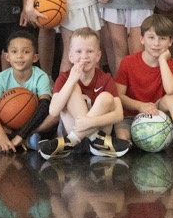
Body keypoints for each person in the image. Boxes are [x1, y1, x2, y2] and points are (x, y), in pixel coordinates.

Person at [112, 15, 173, 159]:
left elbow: (171, 90)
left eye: (162, 38)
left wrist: (162, 60)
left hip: (157, 111)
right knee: (123, 142)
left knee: (172, 98)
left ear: (170, 41)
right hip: (130, 115)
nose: (156, 43)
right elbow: (119, 96)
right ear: (142, 39)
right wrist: (140, 106)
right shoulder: (128, 62)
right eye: (151, 37)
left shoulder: (170, 64)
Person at [37, 27, 127, 159]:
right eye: (79, 51)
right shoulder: (64, 78)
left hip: (91, 131)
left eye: (90, 51)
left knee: (106, 98)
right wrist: (71, 81)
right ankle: (94, 139)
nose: (84, 56)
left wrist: (90, 122)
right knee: (72, 89)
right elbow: (53, 111)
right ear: (70, 56)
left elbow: (119, 115)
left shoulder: (105, 78)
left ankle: (72, 141)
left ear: (98, 56)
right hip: (73, 129)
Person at [0, 27, 56, 152]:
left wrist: (21, 134)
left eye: (26, 52)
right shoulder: (1, 77)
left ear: (35, 57)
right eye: (14, 51)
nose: (19, 56)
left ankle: (10, 140)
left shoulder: (41, 76)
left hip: (33, 122)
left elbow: (44, 106)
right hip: (7, 124)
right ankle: (12, 139)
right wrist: (0, 132)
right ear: (7, 56)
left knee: (56, 114)